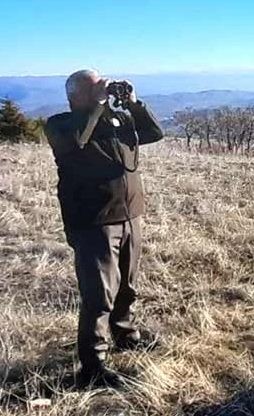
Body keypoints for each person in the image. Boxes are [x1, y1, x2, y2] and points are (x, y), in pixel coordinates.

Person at [44, 69, 164, 387]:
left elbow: (153, 133)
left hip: (129, 216)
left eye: (102, 84)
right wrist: (97, 106)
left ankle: (126, 336)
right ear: (75, 95)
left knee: (127, 286)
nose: (103, 89)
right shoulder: (61, 125)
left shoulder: (116, 120)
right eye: (95, 86)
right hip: (93, 222)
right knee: (99, 296)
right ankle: (93, 367)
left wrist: (134, 104)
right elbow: (76, 141)